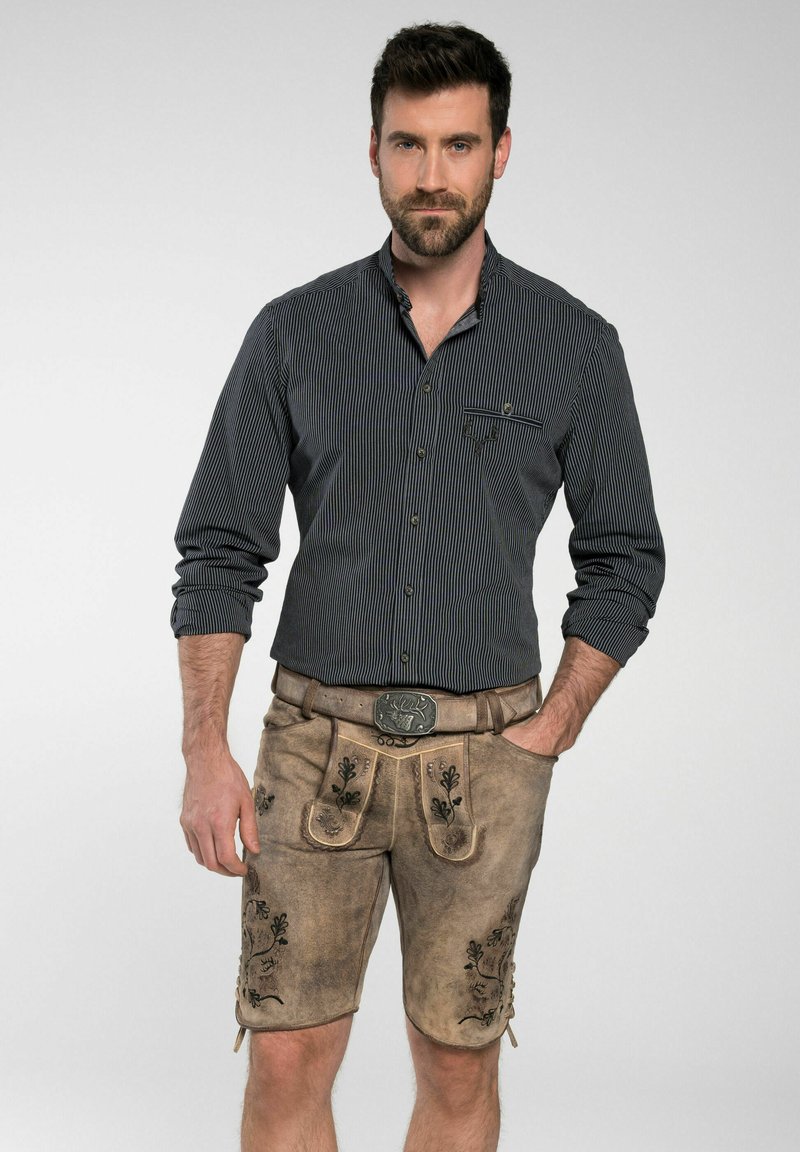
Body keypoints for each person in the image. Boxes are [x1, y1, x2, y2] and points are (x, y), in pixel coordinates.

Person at [171, 21, 665, 1152]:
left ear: (500, 152)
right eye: (408, 144)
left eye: (458, 144)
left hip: (485, 766)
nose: (431, 174)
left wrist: (554, 724)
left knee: (456, 1060)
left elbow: (625, 557)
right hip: (313, 752)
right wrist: (204, 747)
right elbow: (219, 548)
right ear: (373, 152)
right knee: (284, 1057)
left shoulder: (574, 346)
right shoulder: (293, 334)